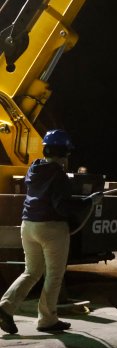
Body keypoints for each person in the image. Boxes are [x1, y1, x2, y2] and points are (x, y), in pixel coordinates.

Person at [0, 130, 100, 334]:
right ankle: (47, 319)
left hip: (28, 226)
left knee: (31, 271)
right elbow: (62, 207)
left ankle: (5, 307)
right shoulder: (59, 175)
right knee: (54, 275)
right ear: (63, 153)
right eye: (67, 153)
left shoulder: (33, 169)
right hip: (51, 228)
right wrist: (90, 201)